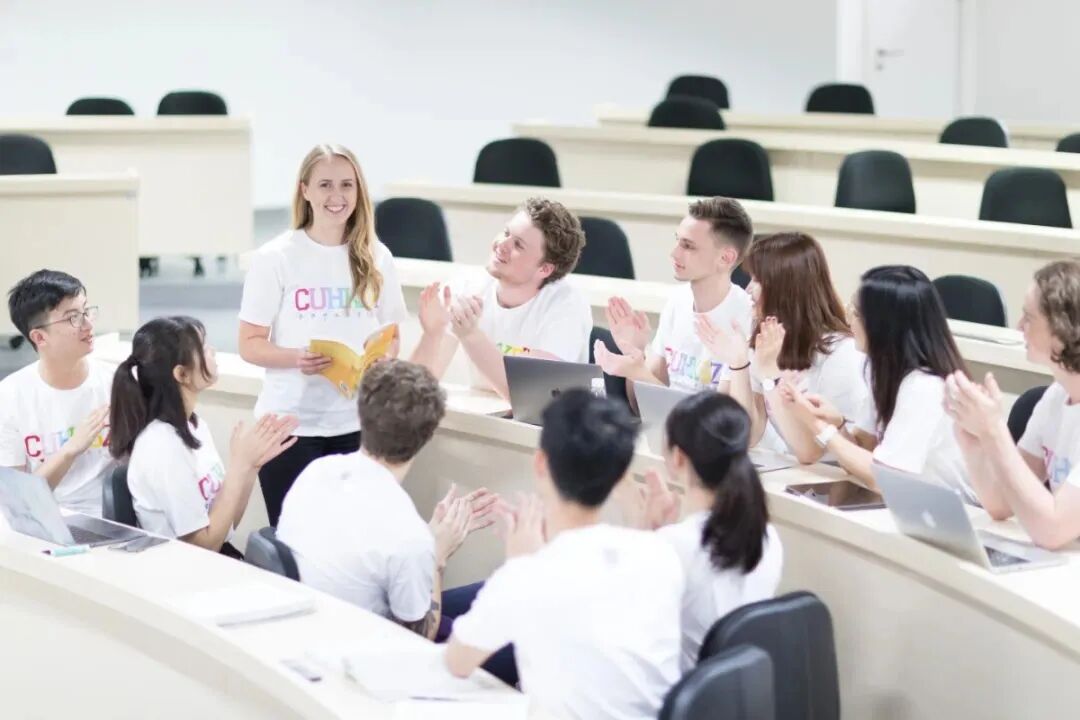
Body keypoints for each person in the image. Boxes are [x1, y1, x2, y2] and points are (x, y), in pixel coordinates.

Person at [445, 390, 683, 719]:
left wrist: (518, 566)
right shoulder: (661, 554)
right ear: (619, 477)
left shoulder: (527, 575)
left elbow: (456, 662)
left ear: (541, 463)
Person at [238, 144, 407, 526]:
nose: (337, 196)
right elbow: (248, 344)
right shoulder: (276, 257)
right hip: (289, 427)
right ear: (305, 190)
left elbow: (392, 334)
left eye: (347, 185)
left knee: (350, 539)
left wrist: (383, 357)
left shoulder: (377, 256)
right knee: (296, 540)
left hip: (356, 424)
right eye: (325, 185)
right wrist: (296, 358)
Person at [276, 360, 498, 641]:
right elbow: (420, 638)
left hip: (308, 626)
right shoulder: (409, 537)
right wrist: (436, 556)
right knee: (511, 629)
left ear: (360, 415)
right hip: (360, 647)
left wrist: (428, 542)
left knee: (496, 594)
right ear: (427, 435)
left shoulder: (316, 472)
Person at [780, 265, 976, 501]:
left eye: (856, 312)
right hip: (913, 504)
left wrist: (820, 428)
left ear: (883, 325)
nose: (848, 319)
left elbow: (885, 478)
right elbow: (861, 454)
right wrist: (837, 425)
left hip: (955, 510)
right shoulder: (884, 373)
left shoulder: (925, 386)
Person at [110, 317, 297, 554]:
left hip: (211, 559)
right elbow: (202, 547)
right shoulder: (162, 446)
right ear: (182, 374)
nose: (213, 351)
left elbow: (225, 526)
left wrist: (250, 466)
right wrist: (238, 467)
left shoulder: (195, 426)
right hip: (180, 569)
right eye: (203, 347)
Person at [625, 392, 782, 672]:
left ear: (678, 458)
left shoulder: (674, 545)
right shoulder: (767, 536)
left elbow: (624, 625)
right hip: (746, 690)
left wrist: (642, 536)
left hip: (686, 693)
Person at [944, 259, 1080, 549]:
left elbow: (1053, 530)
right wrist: (975, 440)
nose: (1019, 326)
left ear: (1063, 330)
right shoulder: (1055, 397)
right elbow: (1000, 503)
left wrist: (994, 430)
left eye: (1029, 317)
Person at [695, 232, 867, 461]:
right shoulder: (766, 337)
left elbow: (809, 452)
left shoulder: (841, 354)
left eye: (756, 280)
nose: (748, 289)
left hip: (834, 476)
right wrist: (738, 364)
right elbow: (747, 435)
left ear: (784, 288)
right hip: (793, 472)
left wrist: (771, 376)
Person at [408, 197, 591, 401]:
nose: (501, 245)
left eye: (518, 245)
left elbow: (538, 399)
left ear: (545, 269)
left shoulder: (567, 306)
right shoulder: (466, 285)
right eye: (505, 233)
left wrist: (471, 336)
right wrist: (432, 335)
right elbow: (413, 394)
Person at [593, 197, 754, 404]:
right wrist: (635, 352)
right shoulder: (678, 301)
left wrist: (638, 372)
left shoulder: (747, 318)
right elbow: (640, 406)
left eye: (688, 246)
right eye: (678, 241)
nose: (674, 253)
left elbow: (719, 419)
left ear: (726, 258)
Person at [0, 270, 113, 516]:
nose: (88, 324)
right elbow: (17, 501)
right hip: (43, 521)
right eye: (73, 318)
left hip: (113, 521)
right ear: (40, 337)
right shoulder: (10, 395)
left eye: (86, 311)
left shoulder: (115, 383)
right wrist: (70, 450)